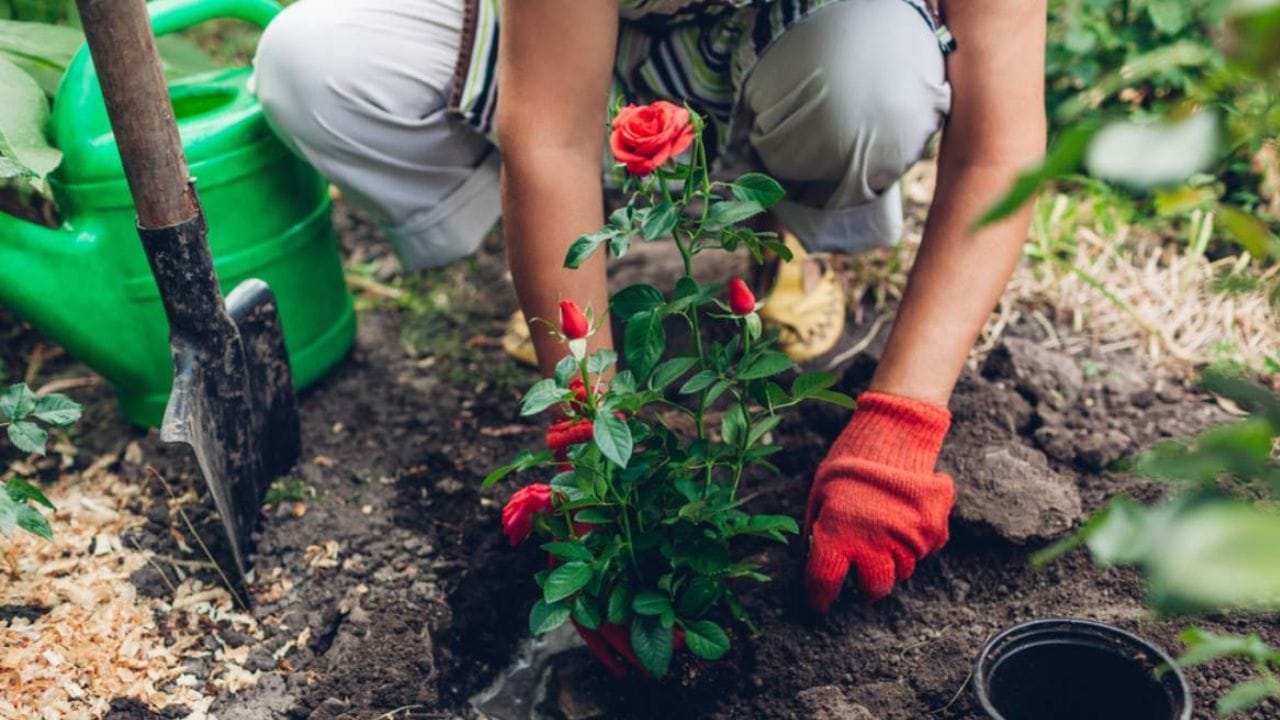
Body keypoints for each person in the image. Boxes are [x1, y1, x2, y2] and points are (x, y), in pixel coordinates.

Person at [253, 0, 1046, 618]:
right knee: (314, 64)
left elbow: (1000, 147)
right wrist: (589, 444)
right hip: (555, 31)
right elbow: (551, 136)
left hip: (797, 41)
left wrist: (900, 424)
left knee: (874, 81)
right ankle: (565, 270)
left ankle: (781, 240)